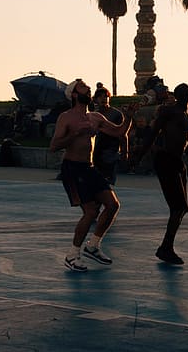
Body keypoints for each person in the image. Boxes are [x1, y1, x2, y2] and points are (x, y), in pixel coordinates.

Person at [49, 78, 134, 272]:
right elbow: (54, 146)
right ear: (74, 95)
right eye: (84, 89)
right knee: (91, 212)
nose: (88, 92)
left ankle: (93, 245)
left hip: (89, 167)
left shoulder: (95, 117)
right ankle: (72, 255)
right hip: (73, 168)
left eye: (88, 89)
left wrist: (128, 117)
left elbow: (119, 132)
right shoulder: (67, 118)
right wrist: (76, 133)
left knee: (113, 205)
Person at [146, 83, 188, 265]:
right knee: (178, 207)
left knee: (182, 208)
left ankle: (166, 246)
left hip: (177, 163)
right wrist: (136, 156)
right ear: (177, 96)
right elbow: (153, 133)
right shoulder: (169, 112)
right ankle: (166, 247)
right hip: (166, 160)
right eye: (182, 93)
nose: (186, 95)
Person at [92, 85, 127, 185]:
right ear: (96, 99)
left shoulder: (116, 114)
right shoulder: (94, 114)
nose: (103, 99)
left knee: (108, 182)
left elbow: (123, 133)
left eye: (105, 96)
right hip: (96, 151)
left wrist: (125, 152)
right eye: (100, 96)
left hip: (111, 151)